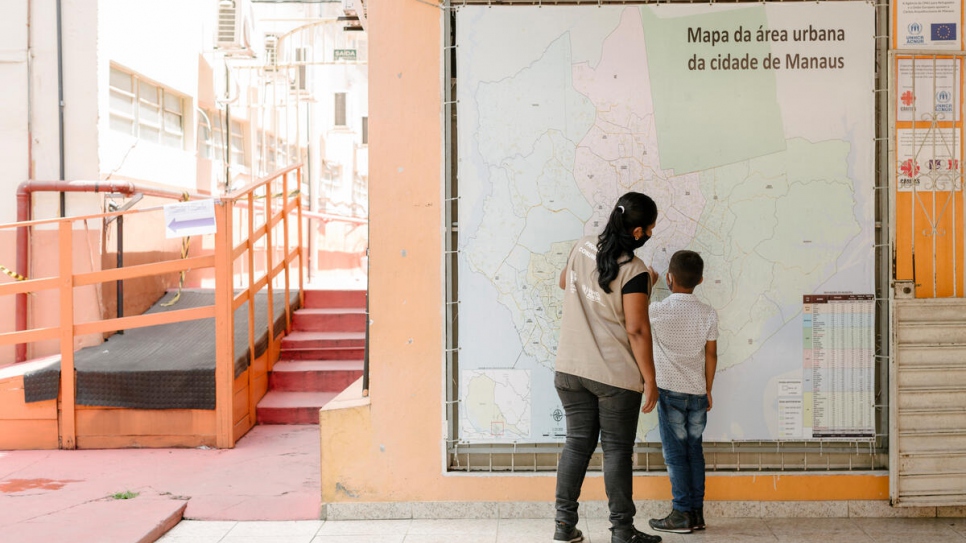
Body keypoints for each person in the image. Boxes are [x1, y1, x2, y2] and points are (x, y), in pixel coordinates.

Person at [553, 192, 663, 543]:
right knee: (616, 451)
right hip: (613, 376)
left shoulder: (583, 246)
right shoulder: (634, 270)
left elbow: (564, 283)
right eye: (650, 229)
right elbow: (636, 328)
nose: (650, 235)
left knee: (576, 445)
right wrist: (650, 379)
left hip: (570, 370)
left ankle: (564, 527)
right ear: (637, 232)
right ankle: (622, 531)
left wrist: (643, 285)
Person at [647, 250, 718, 534]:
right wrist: (708, 388)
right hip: (698, 393)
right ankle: (696, 513)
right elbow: (711, 355)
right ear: (700, 280)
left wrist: (649, 284)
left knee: (675, 455)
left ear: (669, 278)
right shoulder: (708, 313)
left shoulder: (657, 310)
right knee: (694, 453)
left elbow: (636, 312)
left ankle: (680, 513)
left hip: (669, 394)